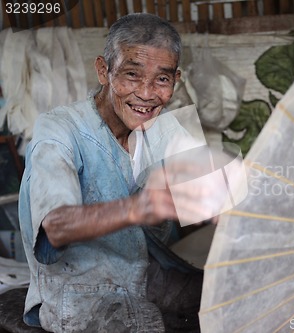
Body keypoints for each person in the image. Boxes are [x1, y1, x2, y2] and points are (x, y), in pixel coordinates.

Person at [18, 13, 211, 333]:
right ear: (103, 71)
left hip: (149, 277)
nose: (147, 94)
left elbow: (211, 191)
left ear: (175, 80)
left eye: (161, 79)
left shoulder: (167, 128)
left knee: (234, 295)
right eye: (132, 75)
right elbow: (55, 226)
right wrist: (141, 208)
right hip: (79, 294)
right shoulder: (59, 129)